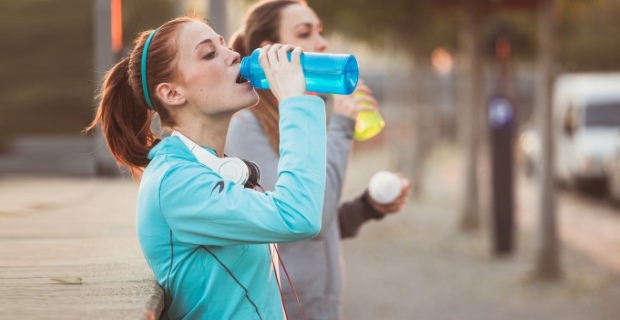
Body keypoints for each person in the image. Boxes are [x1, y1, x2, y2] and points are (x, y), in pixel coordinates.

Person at [86, 15, 329, 320]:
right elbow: (297, 217)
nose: (235, 56)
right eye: (209, 54)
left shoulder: (204, 167)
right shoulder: (176, 183)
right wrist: (295, 103)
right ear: (172, 93)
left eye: (223, 45)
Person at [227, 1, 411, 319]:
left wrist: (367, 207)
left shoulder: (298, 118)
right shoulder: (247, 125)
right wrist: (341, 127)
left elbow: (323, 222)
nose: (322, 43)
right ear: (272, 52)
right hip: (289, 307)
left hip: (322, 306)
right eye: (305, 33)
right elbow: (307, 222)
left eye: (320, 31)